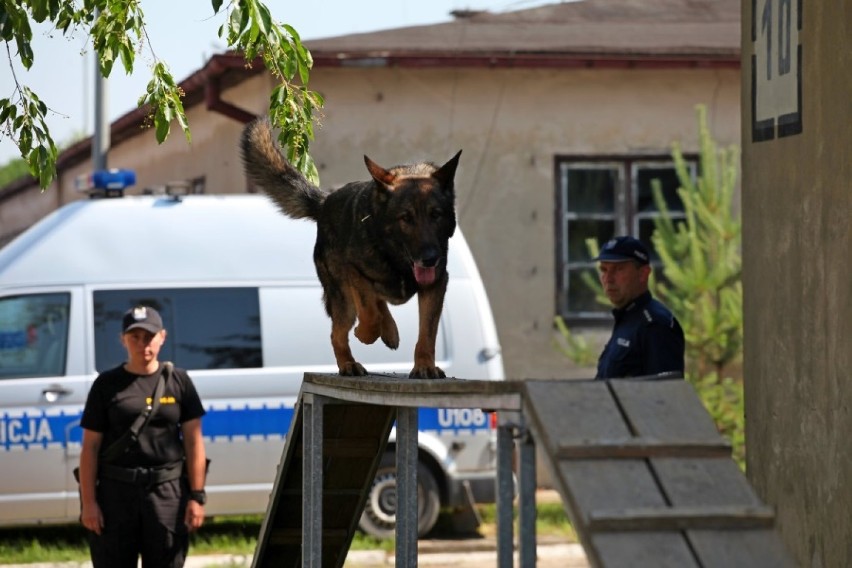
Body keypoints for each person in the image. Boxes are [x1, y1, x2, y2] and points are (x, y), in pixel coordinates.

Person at [79, 305, 208, 568]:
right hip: (116, 495)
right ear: (123, 340)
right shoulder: (106, 385)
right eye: (135, 337)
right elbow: (90, 448)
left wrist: (196, 496)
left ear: (162, 337)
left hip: (166, 493)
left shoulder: (179, 381)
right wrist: (89, 503)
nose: (143, 344)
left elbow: (194, 442)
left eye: (149, 337)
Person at [593, 236, 685, 379]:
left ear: (643, 274)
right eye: (604, 270)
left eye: (618, 269)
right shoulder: (627, 318)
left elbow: (665, 395)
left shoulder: (655, 324)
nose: (608, 279)